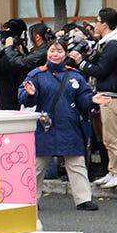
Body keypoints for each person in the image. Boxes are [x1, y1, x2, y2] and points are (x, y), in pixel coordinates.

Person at [19, 38, 103, 210]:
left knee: (76, 163)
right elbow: (24, 97)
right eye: (52, 50)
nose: (55, 54)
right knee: (37, 166)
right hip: (44, 126)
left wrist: (92, 100)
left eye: (59, 51)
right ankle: (30, 199)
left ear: (65, 54)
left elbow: (84, 98)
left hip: (69, 124)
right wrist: (30, 94)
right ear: (47, 53)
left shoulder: (75, 75)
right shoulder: (36, 75)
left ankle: (83, 199)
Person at [81, 8, 117, 188]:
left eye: (97, 21)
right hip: (106, 94)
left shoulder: (113, 45)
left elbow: (102, 70)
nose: (95, 25)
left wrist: (82, 63)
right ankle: (112, 171)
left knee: (114, 137)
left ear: (104, 24)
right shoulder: (107, 43)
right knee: (107, 138)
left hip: (112, 95)